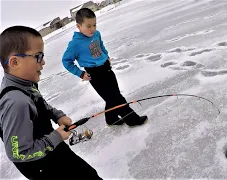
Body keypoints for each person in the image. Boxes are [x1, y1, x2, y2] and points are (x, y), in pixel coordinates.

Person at [0, 25, 103, 180]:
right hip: (43, 167)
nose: (43, 62)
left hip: (52, 147)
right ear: (14, 62)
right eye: (38, 57)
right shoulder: (16, 102)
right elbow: (18, 153)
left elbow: (40, 103)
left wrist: (57, 116)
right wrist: (56, 137)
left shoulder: (25, 83)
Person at [62, 8, 148, 127]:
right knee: (116, 99)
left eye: (94, 25)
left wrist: (106, 56)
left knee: (113, 96)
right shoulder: (75, 44)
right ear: (78, 26)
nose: (93, 29)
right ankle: (133, 120)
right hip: (95, 74)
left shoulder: (96, 34)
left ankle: (111, 119)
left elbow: (101, 46)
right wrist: (80, 73)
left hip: (106, 69)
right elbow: (66, 61)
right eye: (88, 26)